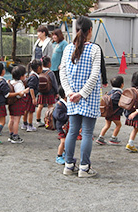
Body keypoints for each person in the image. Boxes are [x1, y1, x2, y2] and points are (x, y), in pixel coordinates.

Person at [59, 16, 102, 178]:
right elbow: (94, 75)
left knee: (72, 131)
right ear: (90, 30)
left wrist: (69, 92)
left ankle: (68, 165)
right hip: (88, 97)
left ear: (76, 30)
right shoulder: (95, 49)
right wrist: (82, 94)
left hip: (71, 97)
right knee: (87, 133)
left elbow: (62, 72)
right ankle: (84, 167)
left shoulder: (68, 48)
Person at [96, 75, 124, 146]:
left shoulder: (109, 92)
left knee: (107, 125)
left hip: (107, 112)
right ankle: (113, 138)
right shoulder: (119, 94)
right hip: (115, 113)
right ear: (122, 85)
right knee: (118, 125)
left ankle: (100, 137)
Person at [7, 65, 29, 144]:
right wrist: (25, 91)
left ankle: (11, 134)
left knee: (11, 119)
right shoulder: (19, 84)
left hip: (11, 103)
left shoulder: (12, 82)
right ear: (21, 76)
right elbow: (20, 95)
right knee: (16, 120)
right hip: (18, 103)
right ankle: (15, 135)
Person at [35, 56, 58, 127]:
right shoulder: (50, 73)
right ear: (49, 64)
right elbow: (54, 83)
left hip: (41, 92)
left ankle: (38, 120)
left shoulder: (40, 72)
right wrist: (56, 92)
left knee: (40, 106)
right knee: (50, 107)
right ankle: (49, 121)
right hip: (50, 92)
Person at [22, 59, 41, 132]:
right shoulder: (34, 77)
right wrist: (33, 98)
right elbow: (31, 88)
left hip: (27, 96)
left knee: (26, 110)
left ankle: (24, 123)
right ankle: (30, 125)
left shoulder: (31, 75)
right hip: (30, 96)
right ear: (39, 67)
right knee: (30, 111)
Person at [53, 86, 69, 164]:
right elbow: (58, 116)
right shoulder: (59, 104)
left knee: (66, 141)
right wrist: (68, 114)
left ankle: (64, 153)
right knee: (63, 141)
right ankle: (58, 156)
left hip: (65, 126)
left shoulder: (65, 103)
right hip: (61, 127)